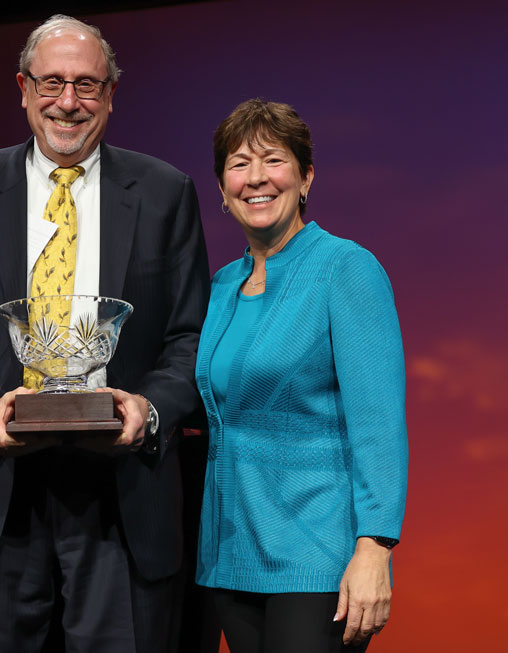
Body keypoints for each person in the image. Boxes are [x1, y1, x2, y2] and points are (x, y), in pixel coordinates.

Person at [0, 14, 209, 652]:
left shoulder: (164, 192)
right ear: (22, 88)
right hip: (0, 489)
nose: (67, 103)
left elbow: (191, 338)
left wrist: (149, 410)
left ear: (110, 95)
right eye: (50, 84)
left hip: (122, 493)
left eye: (86, 86)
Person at [194, 98, 408, 652]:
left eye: (273, 160)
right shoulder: (220, 287)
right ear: (221, 188)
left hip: (317, 558)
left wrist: (375, 547)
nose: (256, 178)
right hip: (231, 556)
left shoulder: (345, 268)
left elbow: (378, 423)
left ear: (306, 176)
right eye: (239, 164)